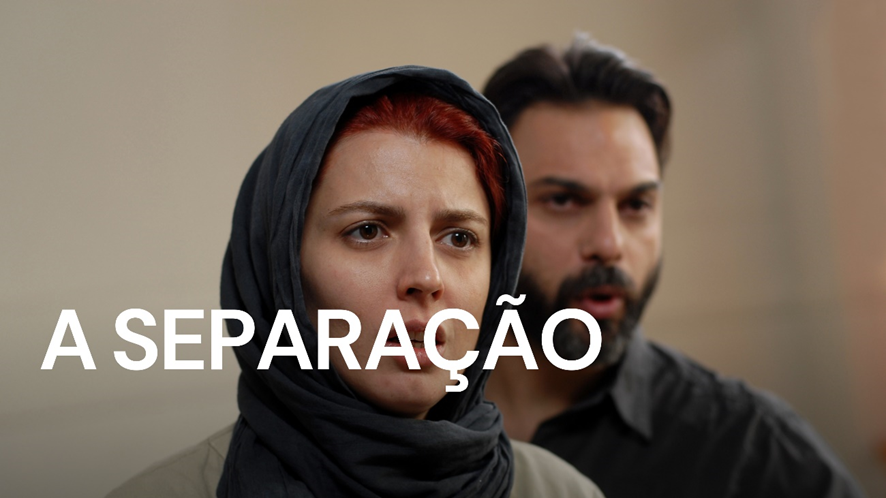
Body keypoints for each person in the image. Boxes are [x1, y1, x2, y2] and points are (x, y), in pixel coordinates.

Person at [106, 66, 603, 497]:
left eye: (459, 237)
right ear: (282, 275)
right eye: (367, 231)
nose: (425, 277)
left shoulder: (562, 491)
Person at [482, 35, 866, 498]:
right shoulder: (410, 411)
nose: (609, 244)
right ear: (489, 211)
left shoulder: (751, 451)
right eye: (563, 200)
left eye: (636, 205)